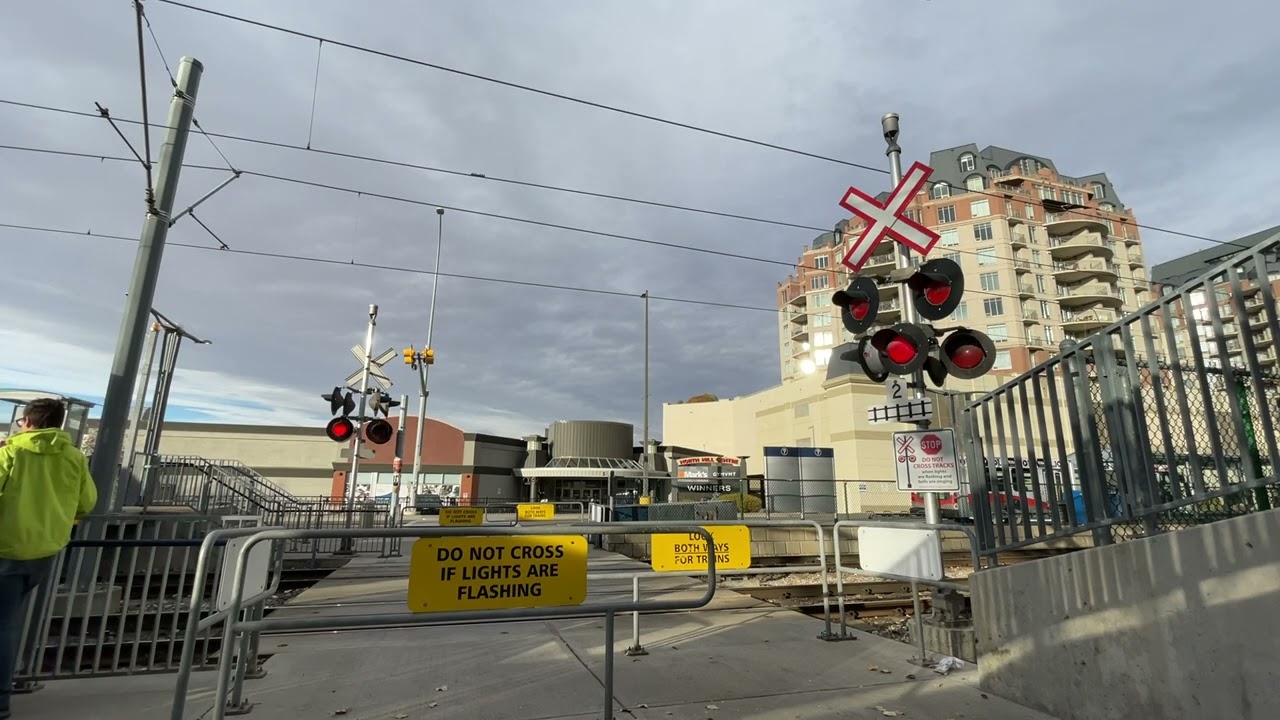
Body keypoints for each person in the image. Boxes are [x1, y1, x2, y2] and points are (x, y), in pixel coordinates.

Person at [0, 399, 97, 719]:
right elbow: (87, 502)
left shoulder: (11, 452)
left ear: (26, 421)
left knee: (4, 626)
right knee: (9, 620)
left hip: (5, 548)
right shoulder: (74, 458)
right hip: (45, 551)